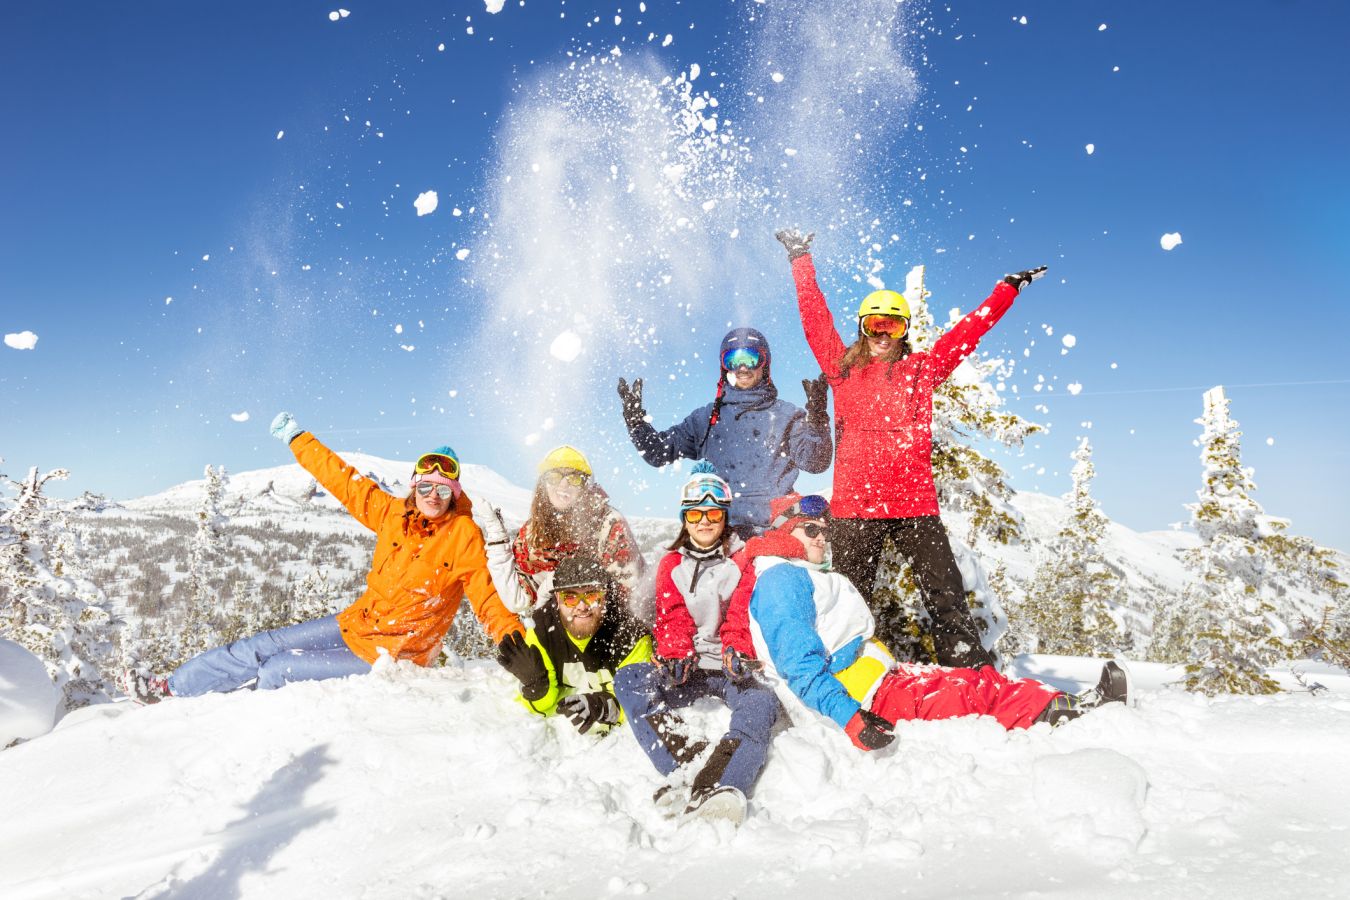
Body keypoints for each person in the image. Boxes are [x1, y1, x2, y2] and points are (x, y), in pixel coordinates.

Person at [775, 227, 1048, 668]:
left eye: (893, 325)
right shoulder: (841, 369)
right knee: (849, 598)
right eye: (875, 325)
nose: (884, 334)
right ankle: (843, 674)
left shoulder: (922, 370)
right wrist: (800, 260)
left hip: (914, 506)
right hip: (856, 509)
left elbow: (967, 333)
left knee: (947, 596)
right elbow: (815, 320)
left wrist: (1005, 290)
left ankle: (968, 670)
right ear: (863, 329)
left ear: (904, 331)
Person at [122, 412, 524, 702]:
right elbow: (341, 478)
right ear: (414, 487)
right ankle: (172, 688)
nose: (433, 496)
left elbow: (489, 601)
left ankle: (242, 725)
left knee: (277, 668)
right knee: (263, 645)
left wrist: (516, 646)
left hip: (395, 653)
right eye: (426, 486)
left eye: (443, 489)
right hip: (356, 623)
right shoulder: (392, 513)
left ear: (454, 494)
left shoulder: (463, 536)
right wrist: (299, 438)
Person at [739, 494, 1128, 751]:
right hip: (864, 699)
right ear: (783, 532)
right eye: (812, 530)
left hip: (881, 682)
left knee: (975, 679)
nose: (823, 538)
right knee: (971, 696)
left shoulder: (800, 572)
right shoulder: (781, 581)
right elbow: (799, 667)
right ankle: (1065, 715)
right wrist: (851, 720)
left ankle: (1060, 702)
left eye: (826, 530)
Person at [612, 463, 781, 826]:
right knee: (629, 680)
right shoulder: (671, 563)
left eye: (713, 513)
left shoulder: (742, 560)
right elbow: (672, 616)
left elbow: (739, 613)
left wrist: (736, 650)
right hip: (689, 667)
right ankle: (687, 763)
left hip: (728, 666)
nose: (704, 522)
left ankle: (723, 782)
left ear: (724, 517)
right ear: (684, 519)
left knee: (762, 702)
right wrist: (676, 653)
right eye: (695, 514)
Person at [617, 327, 833, 538]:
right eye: (732, 360)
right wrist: (636, 423)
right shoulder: (706, 419)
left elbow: (816, 463)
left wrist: (817, 421)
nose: (742, 368)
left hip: (776, 531)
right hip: (722, 533)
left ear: (765, 364)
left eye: (751, 359)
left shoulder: (787, 415)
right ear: (724, 368)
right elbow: (658, 452)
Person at [481, 445, 646, 619]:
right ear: (543, 485)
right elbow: (518, 600)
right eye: (554, 476)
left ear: (586, 486)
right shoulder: (533, 531)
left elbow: (629, 595)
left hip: (602, 623)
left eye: (574, 478)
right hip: (557, 624)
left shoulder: (609, 524)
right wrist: (498, 539)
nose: (563, 484)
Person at [496, 556, 652, 736]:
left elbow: (641, 703)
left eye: (592, 595)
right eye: (570, 597)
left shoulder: (630, 634)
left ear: (605, 595)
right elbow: (540, 711)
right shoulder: (542, 631)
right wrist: (536, 687)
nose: (582, 607)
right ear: (557, 598)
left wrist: (603, 708)